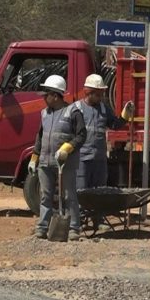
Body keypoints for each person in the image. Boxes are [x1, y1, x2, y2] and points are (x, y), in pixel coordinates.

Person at [28, 74, 87, 240]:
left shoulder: (73, 112)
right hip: (45, 163)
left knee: (69, 196)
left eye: (46, 95)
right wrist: (34, 158)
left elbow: (81, 135)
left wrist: (68, 148)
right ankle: (42, 228)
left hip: (65, 162)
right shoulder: (44, 114)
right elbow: (40, 137)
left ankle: (74, 228)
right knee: (45, 196)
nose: (44, 99)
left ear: (55, 95)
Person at [70, 73, 131, 190]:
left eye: (102, 92)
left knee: (99, 193)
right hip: (82, 160)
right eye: (98, 93)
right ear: (88, 92)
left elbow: (115, 125)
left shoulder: (104, 108)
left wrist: (125, 117)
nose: (101, 96)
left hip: (99, 160)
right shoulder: (76, 109)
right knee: (81, 192)